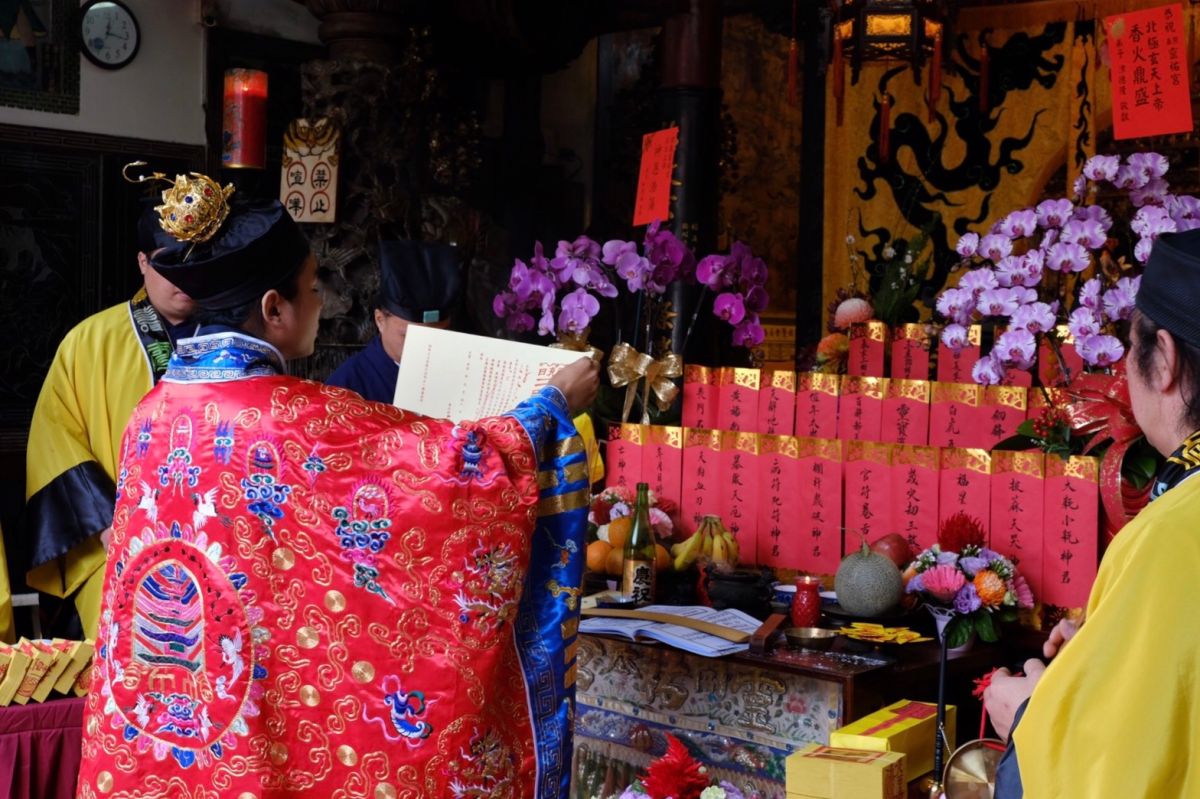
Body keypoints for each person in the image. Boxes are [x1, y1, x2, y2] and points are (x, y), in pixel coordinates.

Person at [75, 169, 600, 799]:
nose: (322, 302)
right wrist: (550, 405)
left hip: (178, 723)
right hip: (253, 712)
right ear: (274, 308)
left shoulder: (151, 413)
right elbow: (458, 472)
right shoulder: (298, 420)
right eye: (312, 288)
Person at [984, 228, 1200, 797]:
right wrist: (1103, 650)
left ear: (1164, 359)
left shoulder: (1171, 535)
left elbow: (1109, 777)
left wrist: (1031, 714)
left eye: (1130, 345)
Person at [23, 200, 195, 639]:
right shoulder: (90, 341)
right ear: (143, 262)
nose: (183, 275)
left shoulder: (231, 340)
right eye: (168, 261)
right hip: (117, 540)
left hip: (211, 543)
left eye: (196, 260)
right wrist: (105, 522)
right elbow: (55, 438)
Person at [327, 238, 606, 485]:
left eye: (437, 336)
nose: (425, 349)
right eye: (409, 336)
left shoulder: (468, 367)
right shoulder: (347, 385)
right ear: (380, 320)